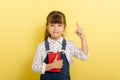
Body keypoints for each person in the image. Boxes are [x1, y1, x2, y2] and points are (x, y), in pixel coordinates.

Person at [32, 10, 89, 80]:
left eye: (59, 25)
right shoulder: (42, 46)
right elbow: (35, 67)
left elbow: (84, 56)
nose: (56, 29)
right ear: (47, 27)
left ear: (64, 27)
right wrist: (51, 66)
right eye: (52, 25)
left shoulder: (69, 45)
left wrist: (82, 37)